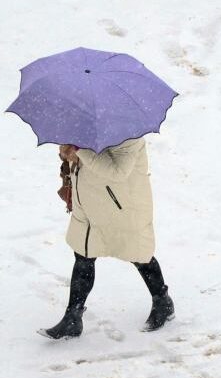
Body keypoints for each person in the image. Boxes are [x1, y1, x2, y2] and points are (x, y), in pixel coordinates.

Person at [39, 137, 174, 339]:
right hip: (88, 206)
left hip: (122, 208)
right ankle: (72, 317)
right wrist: (68, 153)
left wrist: (80, 149)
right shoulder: (85, 128)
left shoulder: (131, 135)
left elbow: (117, 172)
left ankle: (162, 302)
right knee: (83, 257)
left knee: (139, 255)